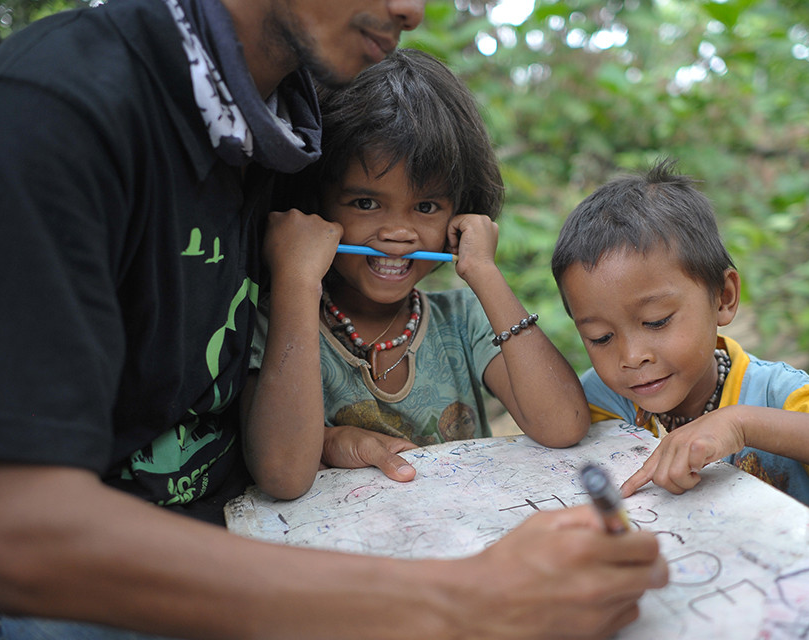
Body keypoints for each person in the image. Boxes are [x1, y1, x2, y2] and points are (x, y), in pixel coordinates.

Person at [0, 1, 668, 640]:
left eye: (426, 207)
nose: (413, 10)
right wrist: (466, 601)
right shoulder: (60, 106)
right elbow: (21, 536)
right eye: (366, 203)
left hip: (282, 536)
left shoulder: (285, 130)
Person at [242, 48, 591, 499]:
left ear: (459, 214)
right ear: (316, 204)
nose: (399, 233)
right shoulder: (277, 319)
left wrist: (484, 271)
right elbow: (283, 476)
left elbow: (563, 425)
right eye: (366, 203)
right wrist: (296, 278)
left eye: (426, 207)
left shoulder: (463, 319)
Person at [550, 159, 809, 527]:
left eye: (657, 321)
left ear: (723, 298)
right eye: (600, 337)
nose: (632, 357)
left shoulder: (775, 396)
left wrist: (742, 424)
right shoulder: (602, 401)